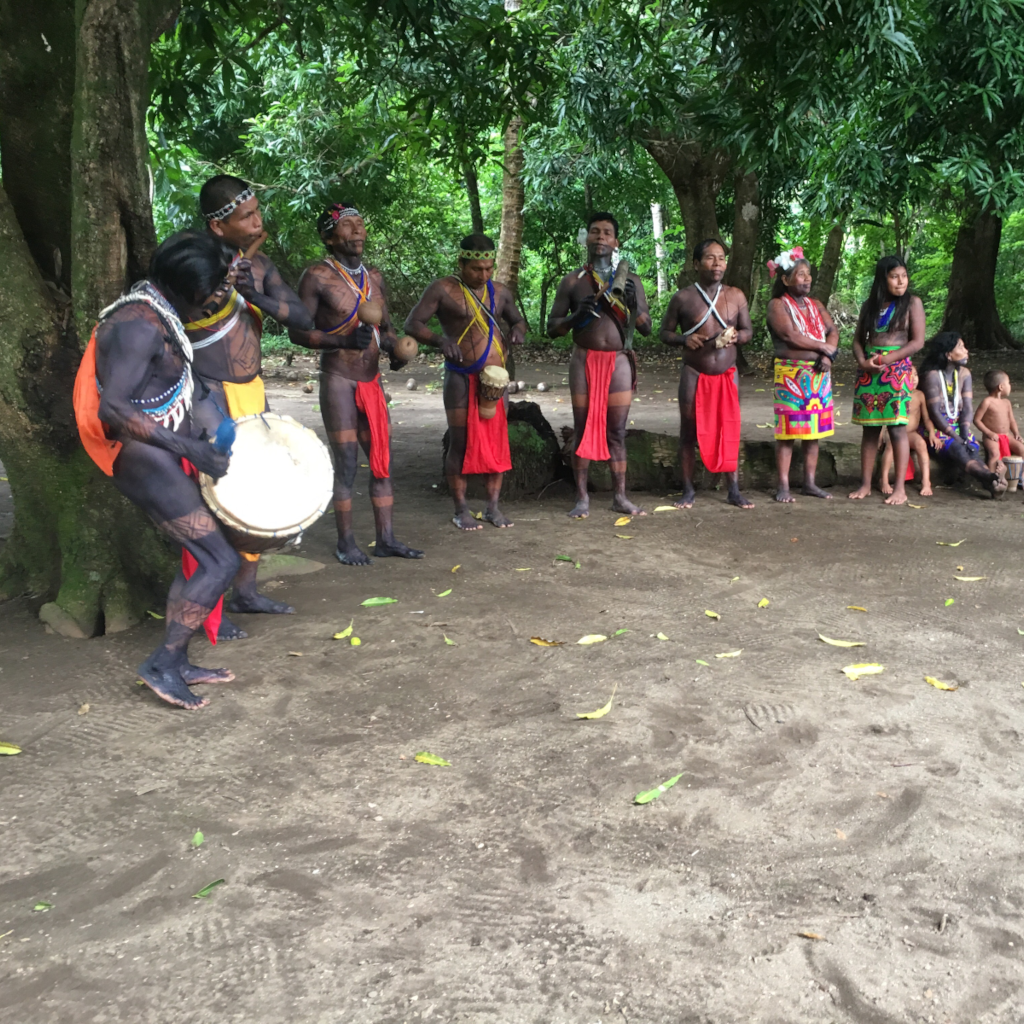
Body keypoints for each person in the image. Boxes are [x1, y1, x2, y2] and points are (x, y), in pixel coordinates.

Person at [73, 232, 240, 710]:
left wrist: (223, 431)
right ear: (188, 286)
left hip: (159, 450)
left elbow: (185, 387)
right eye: (210, 291)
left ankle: (178, 659)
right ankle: (162, 664)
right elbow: (114, 410)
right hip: (141, 455)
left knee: (197, 555)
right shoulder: (137, 326)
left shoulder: (158, 312)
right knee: (220, 560)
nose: (214, 299)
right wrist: (189, 447)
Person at [187, 175, 315, 630]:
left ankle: (245, 592)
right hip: (207, 396)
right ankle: (209, 608)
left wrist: (251, 293)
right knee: (211, 499)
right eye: (247, 215)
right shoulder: (193, 264)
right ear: (219, 226)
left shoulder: (259, 268)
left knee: (255, 494)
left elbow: (302, 317)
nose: (258, 221)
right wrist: (219, 289)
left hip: (252, 392)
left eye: (258, 211)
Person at [289, 204, 423, 565]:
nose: (357, 231)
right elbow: (297, 332)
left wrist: (396, 350)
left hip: (371, 381)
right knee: (347, 463)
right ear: (329, 237)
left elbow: (386, 327)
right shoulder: (316, 276)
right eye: (347, 225)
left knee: (382, 462)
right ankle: (345, 542)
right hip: (339, 380)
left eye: (360, 223)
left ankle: (386, 539)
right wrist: (343, 343)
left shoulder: (375, 277)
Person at [404, 233, 525, 530]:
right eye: (475, 269)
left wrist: (518, 331)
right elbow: (412, 323)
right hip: (460, 377)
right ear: (460, 263)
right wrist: (439, 340)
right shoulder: (443, 289)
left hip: (496, 381)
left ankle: (493, 508)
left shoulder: (500, 291)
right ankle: (461, 510)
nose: (482, 275)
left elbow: (518, 320)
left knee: (497, 442)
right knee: (460, 442)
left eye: (487, 269)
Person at [547, 213, 652, 518]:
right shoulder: (573, 281)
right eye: (595, 232)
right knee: (581, 428)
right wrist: (574, 316)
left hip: (618, 362)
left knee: (616, 432)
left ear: (616, 241)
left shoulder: (631, 280)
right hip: (583, 359)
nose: (601, 237)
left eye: (607, 233)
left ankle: (620, 496)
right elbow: (553, 329)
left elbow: (646, 328)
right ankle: (582, 498)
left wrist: (633, 305)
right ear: (586, 239)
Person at [659, 238, 753, 509]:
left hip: (727, 374)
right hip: (694, 372)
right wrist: (684, 340)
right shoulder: (683, 297)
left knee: (729, 429)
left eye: (721, 258)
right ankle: (688, 490)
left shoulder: (736, 295)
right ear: (696, 263)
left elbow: (748, 331)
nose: (717, 263)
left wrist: (737, 336)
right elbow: (664, 333)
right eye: (710, 258)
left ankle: (733, 489)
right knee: (688, 431)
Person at [848, 255, 925, 505]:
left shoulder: (913, 303)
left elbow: (917, 342)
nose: (900, 281)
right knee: (869, 431)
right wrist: (863, 362)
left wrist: (888, 360)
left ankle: (900, 488)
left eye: (904, 275)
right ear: (883, 279)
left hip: (897, 371)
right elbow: (858, 341)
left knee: (897, 429)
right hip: (869, 371)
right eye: (894, 276)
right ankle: (865, 484)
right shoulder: (869, 306)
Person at [764, 246, 839, 502]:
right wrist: (823, 349)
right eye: (800, 274)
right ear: (785, 280)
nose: (806, 278)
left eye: (808, 274)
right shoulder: (777, 305)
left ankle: (809, 482)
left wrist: (828, 355)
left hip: (819, 376)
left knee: (813, 433)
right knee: (787, 433)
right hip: (790, 375)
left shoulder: (815, 304)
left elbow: (832, 330)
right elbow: (789, 335)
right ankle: (783, 485)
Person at [918, 332, 1005, 497]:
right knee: (958, 447)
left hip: (958, 427)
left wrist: (964, 433)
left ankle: (991, 481)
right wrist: (956, 436)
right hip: (935, 429)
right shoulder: (932, 376)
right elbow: (935, 413)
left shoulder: (964, 374)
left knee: (971, 448)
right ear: (948, 355)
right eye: (961, 347)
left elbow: (967, 408)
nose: (966, 351)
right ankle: (988, 478)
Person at [878, 367, 936, 496]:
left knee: (921, 443)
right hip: (893, 432)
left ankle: (926, 481)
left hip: (910, 434)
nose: (914, 378)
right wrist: (880, 434)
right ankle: (884, 480)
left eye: (915, 374)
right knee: (891, 445)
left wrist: (932, 433)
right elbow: (884, 416)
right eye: (909, 375)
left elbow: (927, 419)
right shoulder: (894, 393)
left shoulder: (919, 395)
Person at [973, 370, 1024, 471]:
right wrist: (989, 433)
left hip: (1007, 435)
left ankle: (1021, 476)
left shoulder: (1006, 402)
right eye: (1008, 383)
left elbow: (1012, 420)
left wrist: (1016, 433)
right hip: (992, 437)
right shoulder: (987, 402)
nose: (1010, 386)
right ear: (1001, 387)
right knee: (994, 454)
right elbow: (976, 420)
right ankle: (992, 478)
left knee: (1022, 449)